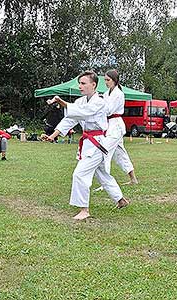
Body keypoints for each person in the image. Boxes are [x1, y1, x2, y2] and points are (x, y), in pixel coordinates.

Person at [43, 70, 129, 220]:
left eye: (83, 83)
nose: (80, 86)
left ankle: (84, 210)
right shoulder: (80, 102)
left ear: (93, 85)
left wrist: (62, 103)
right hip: (90, 143)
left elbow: (85, 113)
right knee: (102, 174)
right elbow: (70, 119)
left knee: (80, 174)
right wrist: (52, 136)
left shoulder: (99, 102)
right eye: (79, 84)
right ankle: (121, 200)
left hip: (97, 143)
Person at [101, 69, 138, 185]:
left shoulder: (118, 94)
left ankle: (106, 183)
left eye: (108, 80)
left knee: (104, 151)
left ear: (114, 80)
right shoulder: (106, 94)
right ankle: (133, 179)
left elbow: (109, 110)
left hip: (115, 126)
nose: (106, 82)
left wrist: (99, 105)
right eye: (105, 80)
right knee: (121, 154)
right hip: (109, 125)